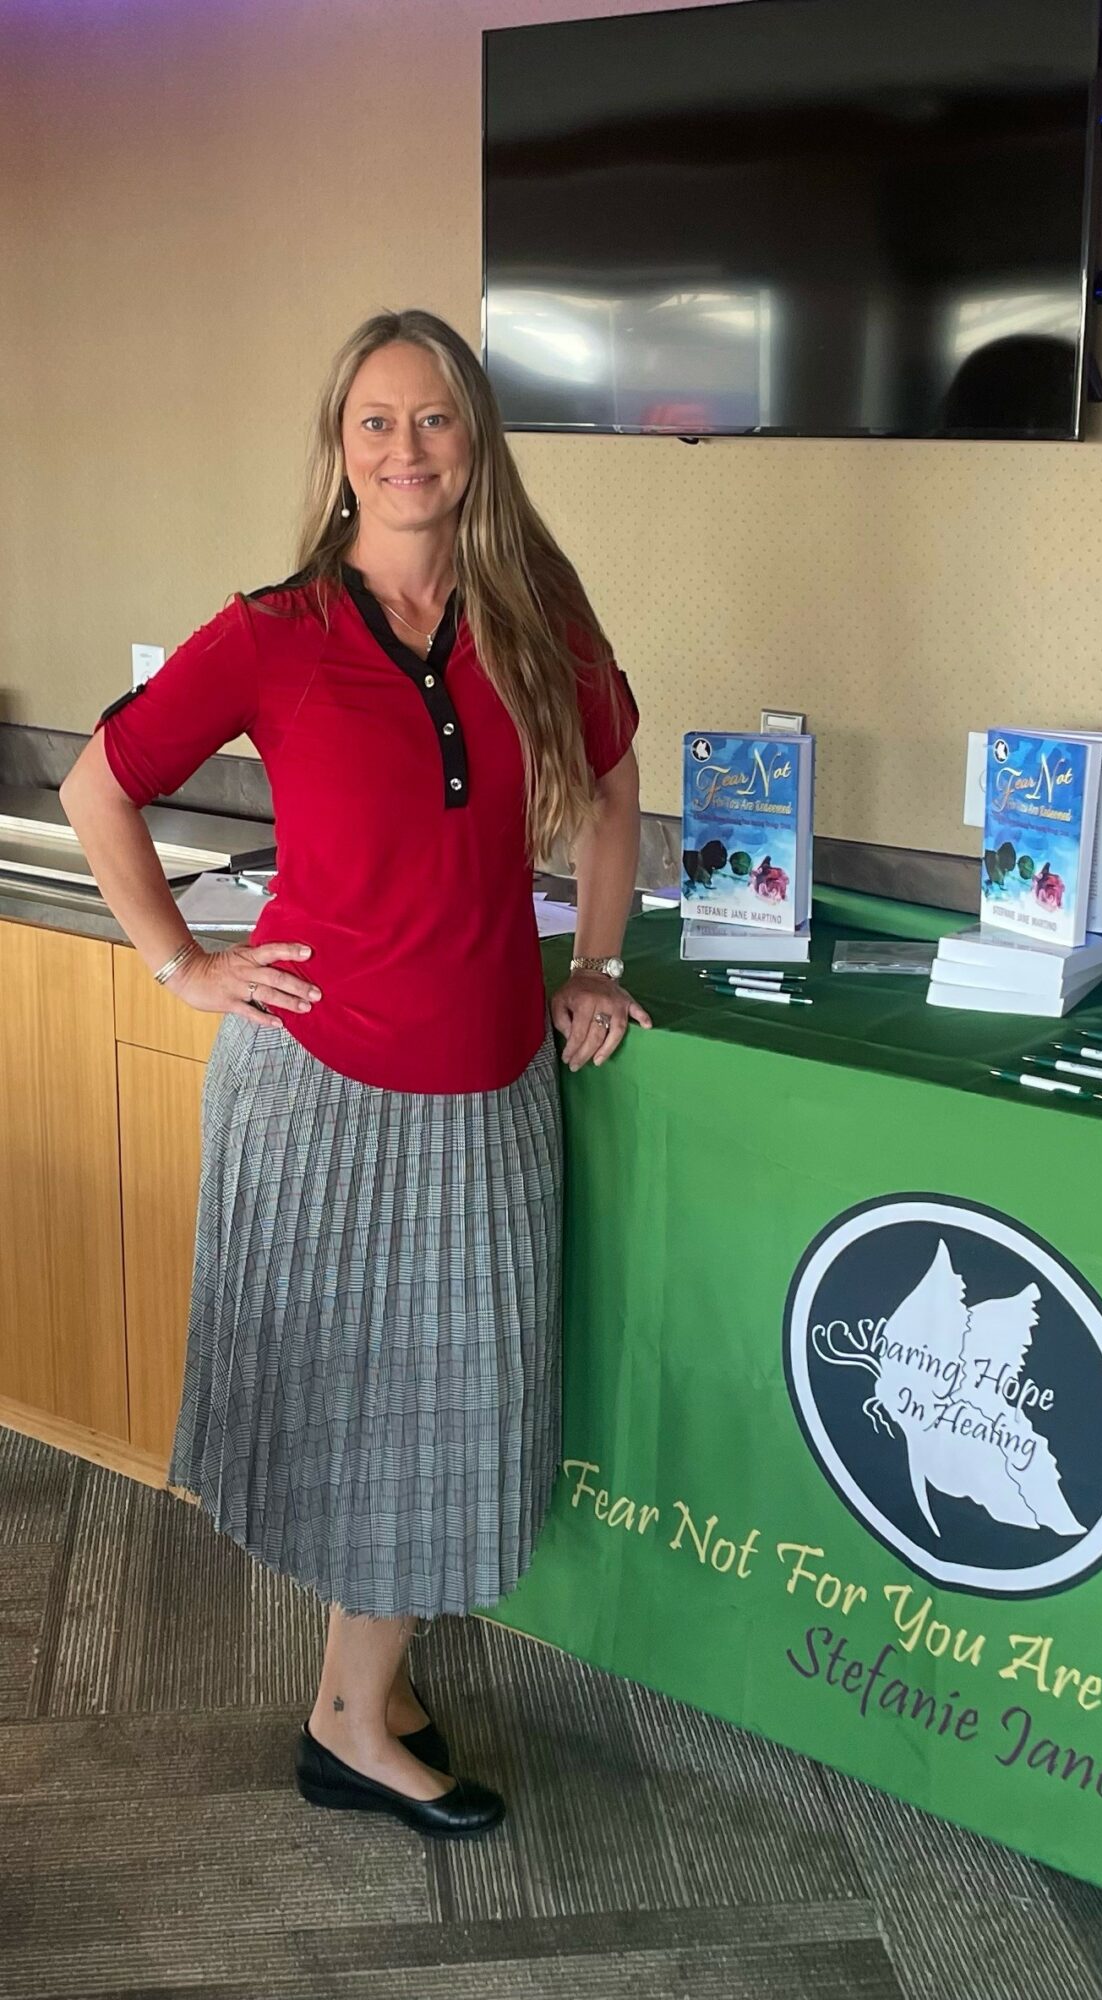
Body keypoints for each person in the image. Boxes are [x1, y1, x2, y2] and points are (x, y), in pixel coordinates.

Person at [58, 307, 648, 1838]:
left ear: (476, 441)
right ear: (339, 447)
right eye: (376, 421)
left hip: (490, 1092)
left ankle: (356, 1695)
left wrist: (597, 959)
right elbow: (97, 785)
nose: (407, 448)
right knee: (362, 1415)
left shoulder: (534, 617)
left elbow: (610, 786)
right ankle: (348, 1721)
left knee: (448, 1411)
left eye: (435, 418)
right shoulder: (274, 632)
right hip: (318, 1094)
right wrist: (181, 963)